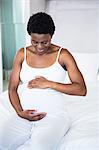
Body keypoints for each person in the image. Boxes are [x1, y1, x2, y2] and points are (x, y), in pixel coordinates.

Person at [0, 12, 87, 150]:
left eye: (45, 42)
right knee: (2, 142)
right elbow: (12, 89)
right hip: (25, 114)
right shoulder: (22, 53)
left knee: (39, 147)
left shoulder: (63, 55)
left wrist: (49, 84)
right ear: (30, 36)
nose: (39, 47)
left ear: (51, 36)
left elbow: (81, 89)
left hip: (54, 116)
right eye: (35, 42)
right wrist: (20, 112)